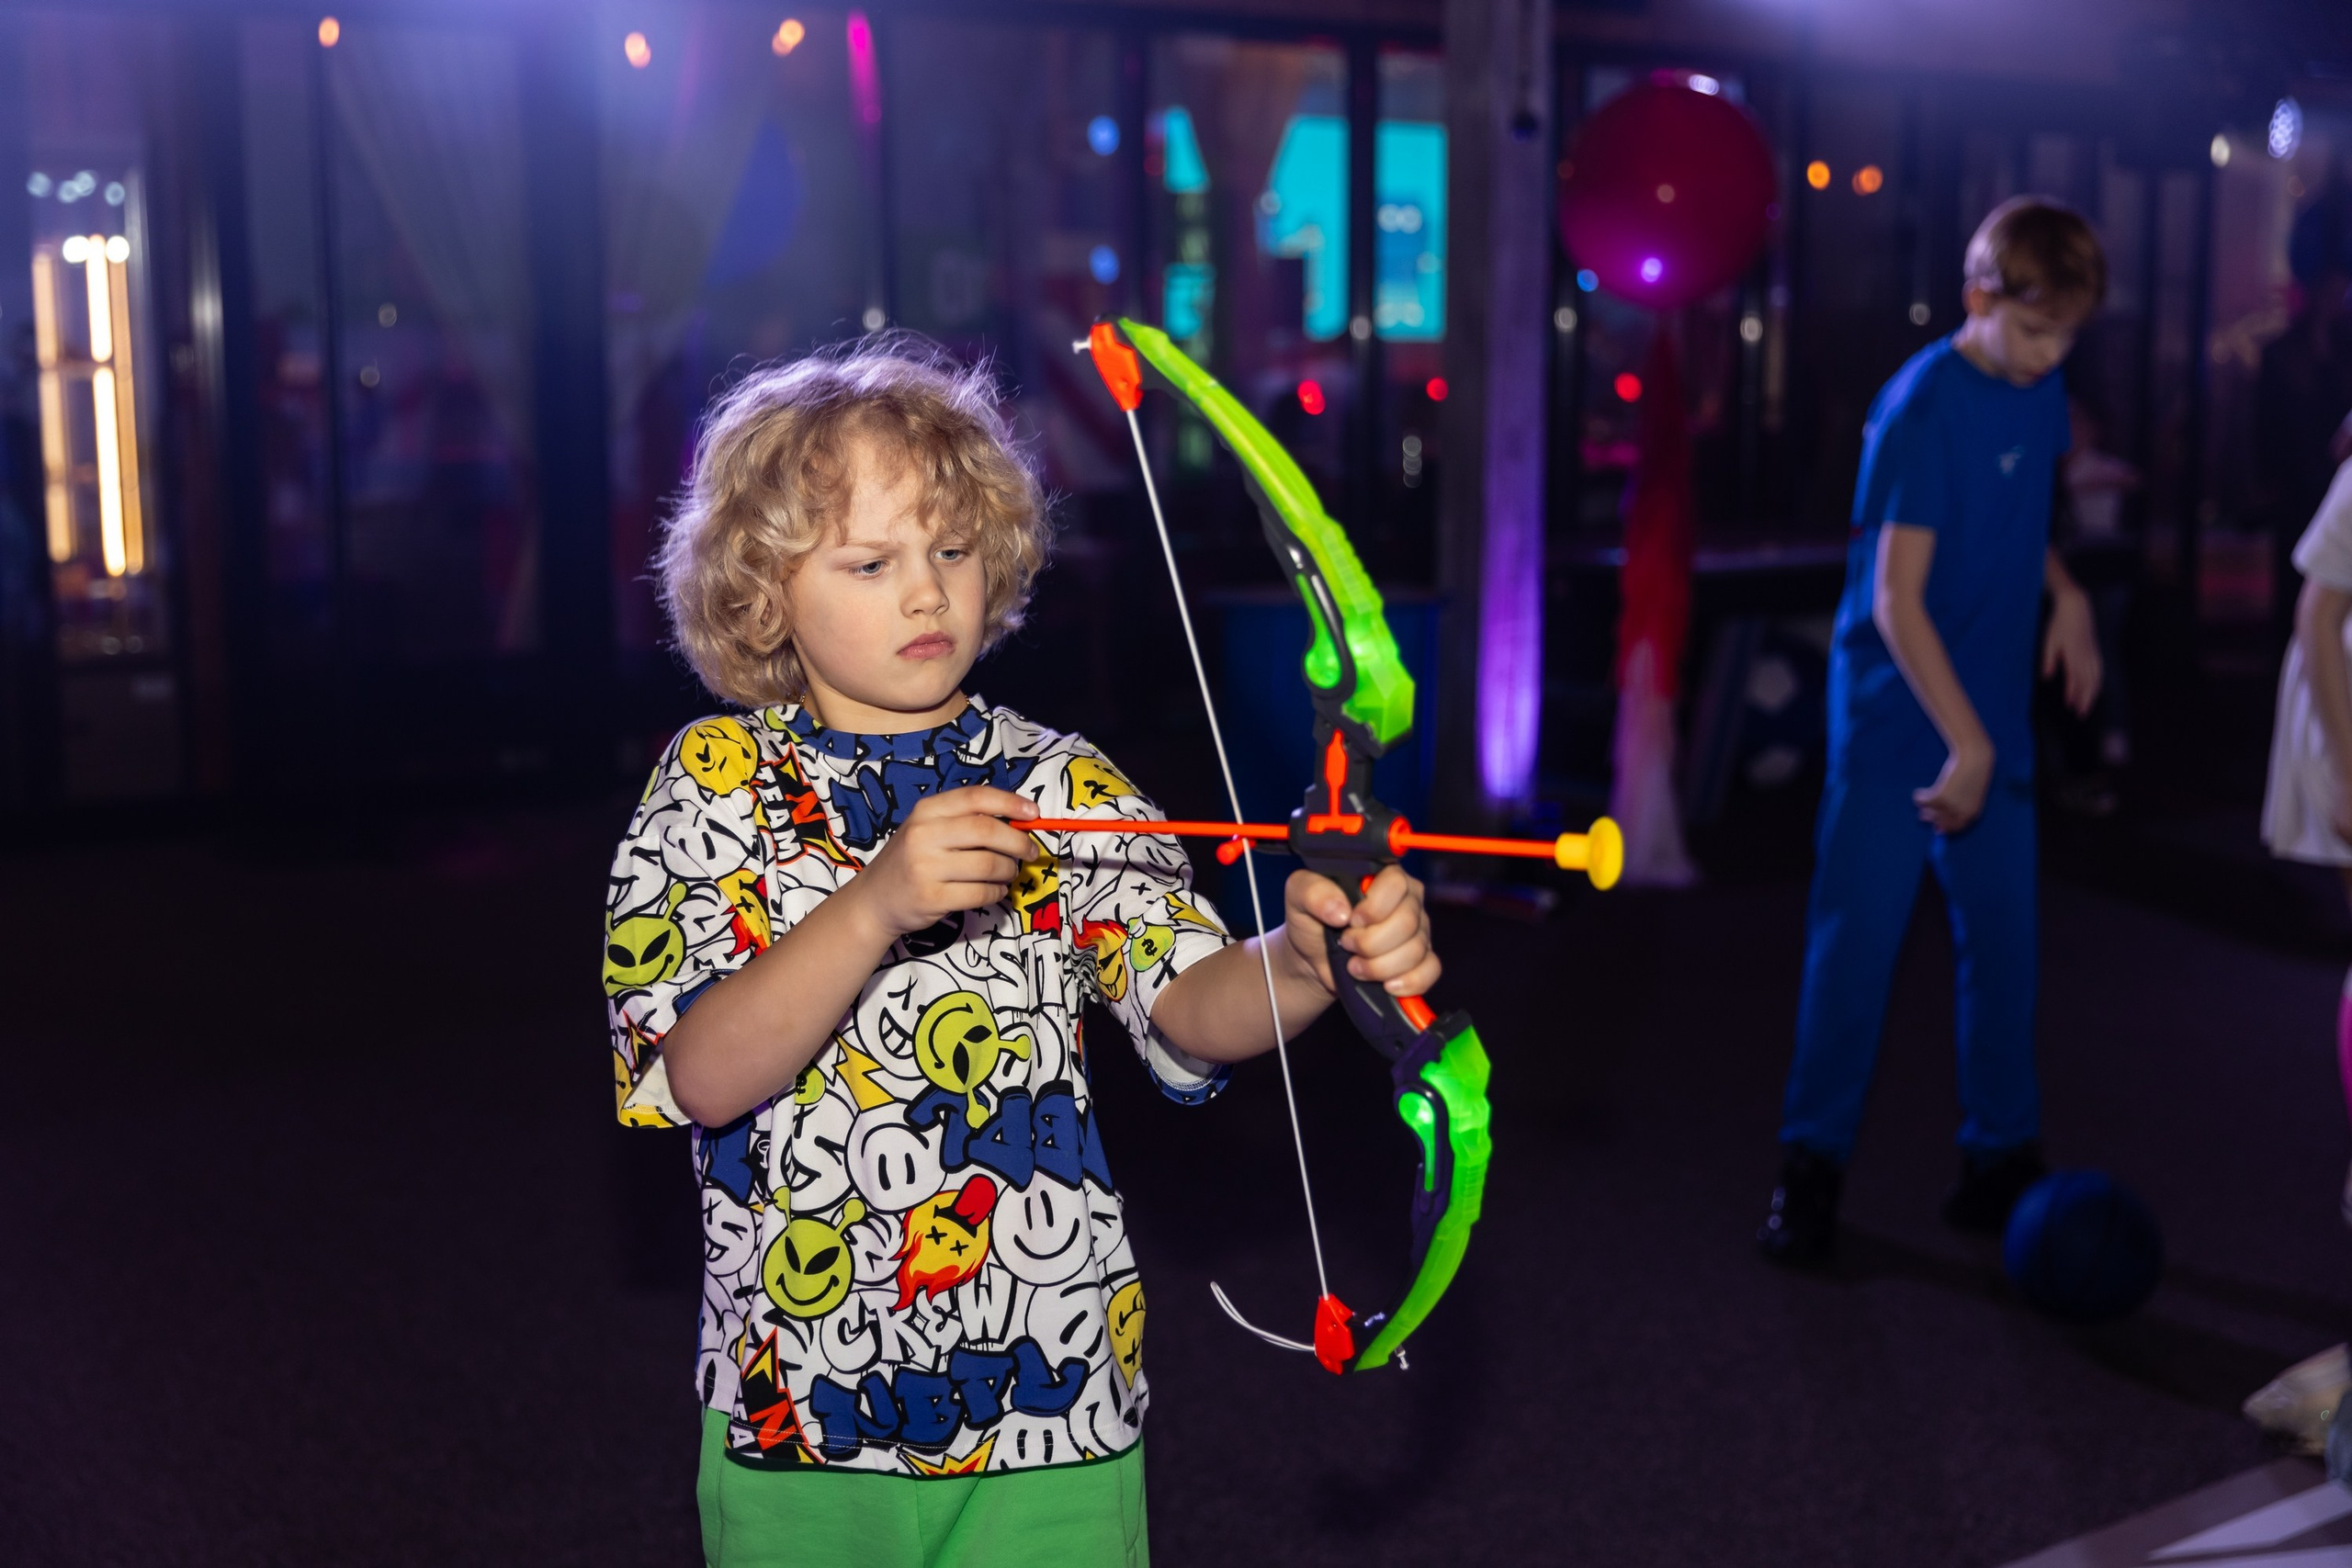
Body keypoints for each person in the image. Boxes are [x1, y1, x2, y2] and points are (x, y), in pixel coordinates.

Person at [603, 339, 1442, 1567]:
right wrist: (875, 902)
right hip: (799, 1414)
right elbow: (698, 1073)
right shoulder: (713, 784)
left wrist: (1308, 959)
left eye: (951, 548)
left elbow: (1188, 1004)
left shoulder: (1061, 780)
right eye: (872, 561)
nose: (928, 592)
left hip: (1057, 1397)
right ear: (765, 588)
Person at [1758, 197, 2107, 1264]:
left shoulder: (2034, 391)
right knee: (1853, 954)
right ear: (1978, 300)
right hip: (1899, 721)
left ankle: (1996, 1163)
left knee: (2004, 951)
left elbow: (2008, 523)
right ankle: (1807, 1174)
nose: (2054, 356)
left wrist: (2068, 596)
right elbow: (1897, 602)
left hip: (1987, 715)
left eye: (2069, 337)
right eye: (2038, 332)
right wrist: (1966, 744)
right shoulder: (1916, 408)